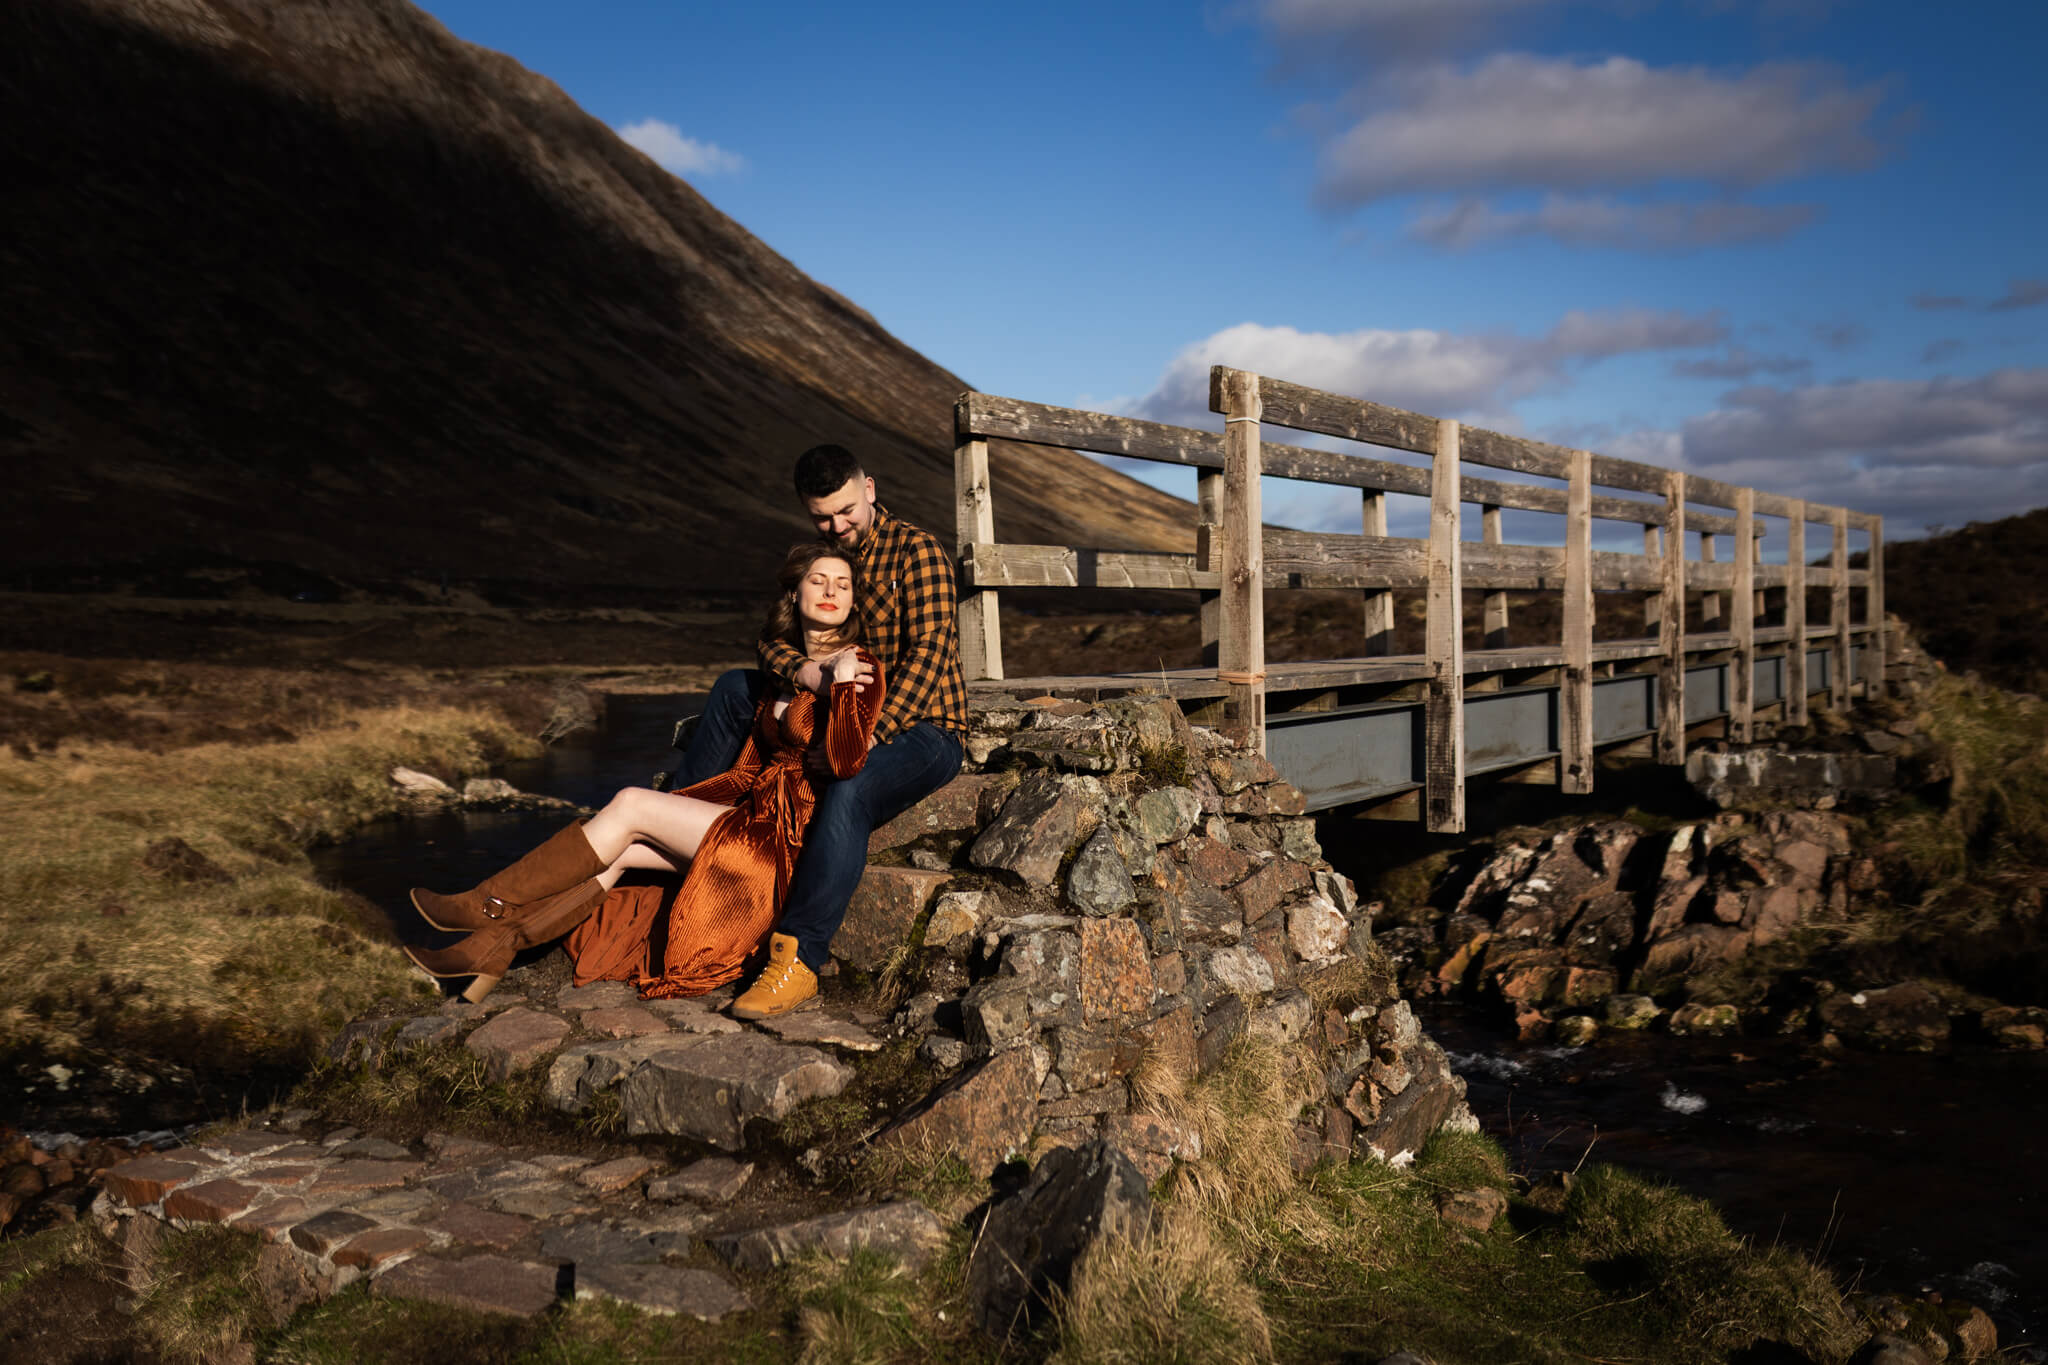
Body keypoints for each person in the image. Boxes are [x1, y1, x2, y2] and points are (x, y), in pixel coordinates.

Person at [403, 542, 883, 1008]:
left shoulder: (859, 669)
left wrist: (841, 684)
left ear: (852, 600)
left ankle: (486, 901)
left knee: (632, 804)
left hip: (785, 843)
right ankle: (490, 950)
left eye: (842, 584)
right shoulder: (787, 668)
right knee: (621, 850)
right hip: (752, 817)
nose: (830, 591)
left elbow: (845, 763)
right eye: (818, 580)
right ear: (795, 594)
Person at [665, 443, 966, 1018]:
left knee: (851, 787)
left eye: (847, 510)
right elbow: (769, 639)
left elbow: (931, 655)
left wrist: (869, 733)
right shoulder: (823, 560)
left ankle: (798, 959)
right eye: (822, 516)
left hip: (923, 727)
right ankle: (684, 826)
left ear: (870, 489)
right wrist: (803, 670)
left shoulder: (917, 553)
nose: (837, 526)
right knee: (734, 686)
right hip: (836, 711)